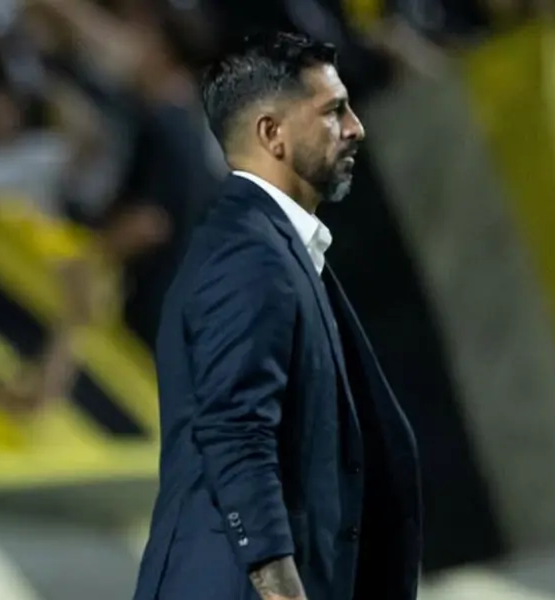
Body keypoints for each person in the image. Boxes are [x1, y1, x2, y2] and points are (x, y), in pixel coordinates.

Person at [133, 32, 420, 600]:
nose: (356, 127)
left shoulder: (276, 248)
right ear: (272, 134)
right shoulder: (248, 255)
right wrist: (281, 589)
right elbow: (235, 429)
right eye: (334, 111)